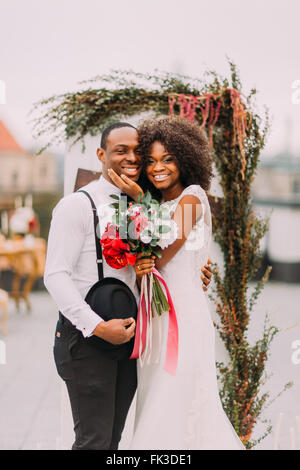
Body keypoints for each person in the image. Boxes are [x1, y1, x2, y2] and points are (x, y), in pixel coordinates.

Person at [44, 121, 212, 450]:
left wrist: (197, 270)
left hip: (132, 339)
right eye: (122, 151)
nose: (133, 158)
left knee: (112, 442)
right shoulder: (77, 205)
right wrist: (96, 326)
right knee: (93, 442)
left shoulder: (140, 206)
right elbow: (55, 276)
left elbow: (164, 252)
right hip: (88, 339)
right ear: (101, 154)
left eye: (139, 152)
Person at [109, 116, 245, 450]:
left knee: (177, 399)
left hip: (182, 315)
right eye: (151, 161)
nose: (158, 167)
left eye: (167, 159)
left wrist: (138, 196)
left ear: (185, 159)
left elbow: (165, 252)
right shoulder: (153, 204)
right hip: (154, 317)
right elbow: (145, 253)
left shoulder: (193, 197)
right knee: (157, 397)